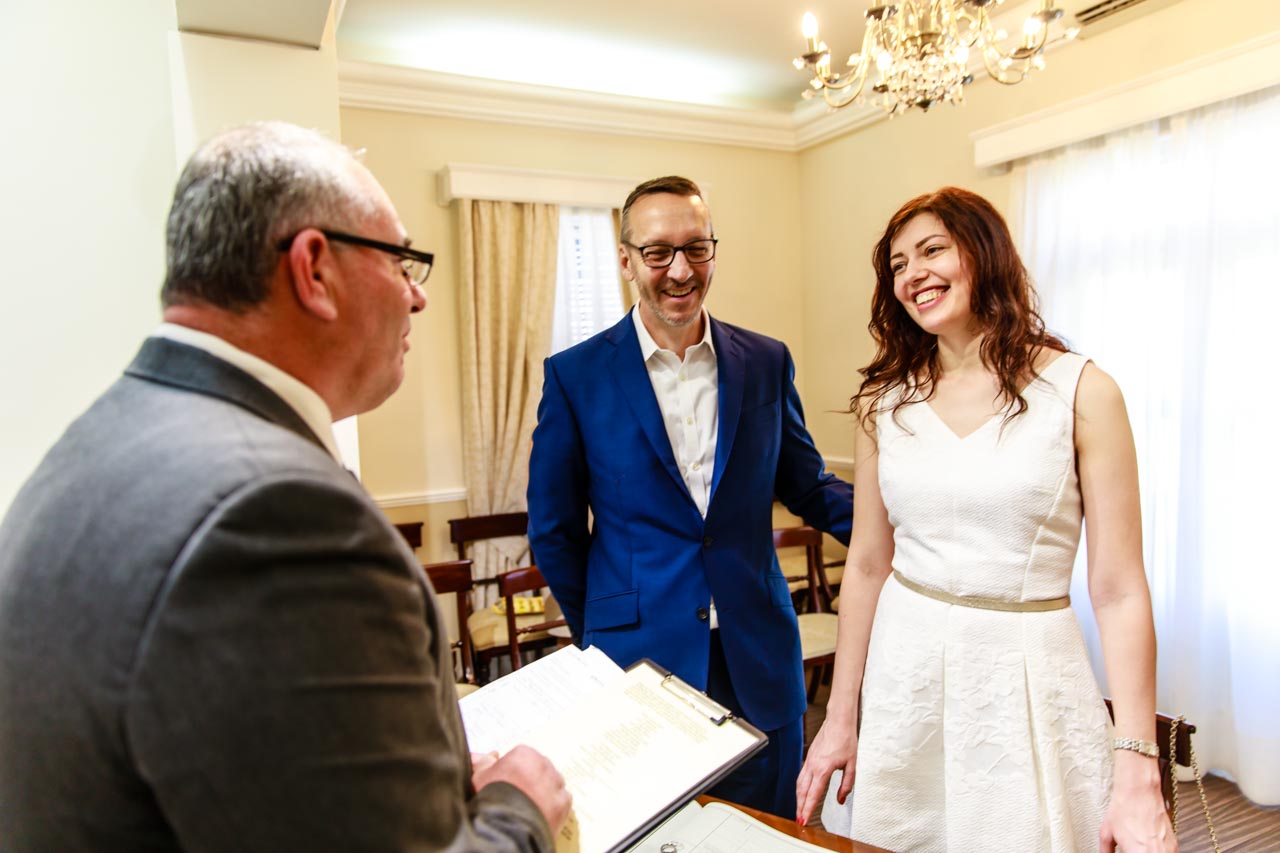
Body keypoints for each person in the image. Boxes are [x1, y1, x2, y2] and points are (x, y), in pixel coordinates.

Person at [0, 121, 569, 851]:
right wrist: (518, 805)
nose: (415, 299)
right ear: (313, 270)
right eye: (401, 261)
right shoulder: (281, 516)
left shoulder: (99, 442)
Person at [794, 187, 1175, 851]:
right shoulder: (883, 404)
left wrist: (1138, 761)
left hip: (1026, 672)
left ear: (985, 251)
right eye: (897, 264)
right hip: (905, 669)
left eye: (932, 249)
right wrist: (840, 715)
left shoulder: (1082, 392)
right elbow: (866, 564)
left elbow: (1117, 590)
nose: (912, 274)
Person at [527, 175, 853, 818]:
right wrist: (602, 624)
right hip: (638, 663)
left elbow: (807, 484)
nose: (679, 270)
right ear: (625, 261)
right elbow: (555, 530)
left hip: (758, 656)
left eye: (695, 248)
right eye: (657, 252)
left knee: (771, 832)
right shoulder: (576, 376)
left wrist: (903, 527)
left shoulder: (764, 361)